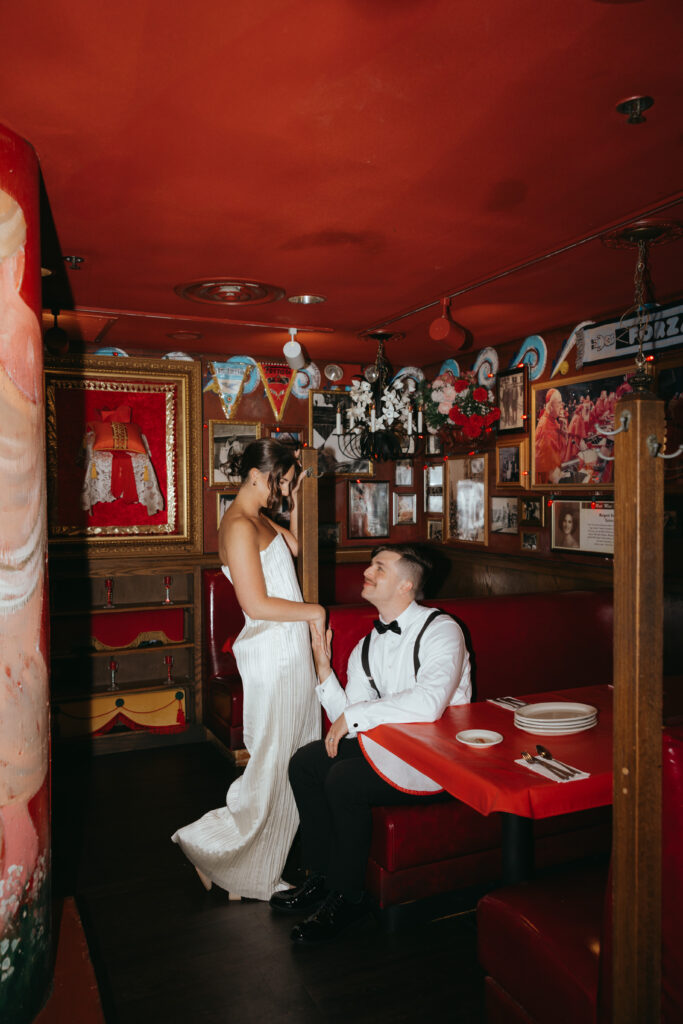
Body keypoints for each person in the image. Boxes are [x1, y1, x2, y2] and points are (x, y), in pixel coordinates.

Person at [269, 544, 471, 943]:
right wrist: (324, 669)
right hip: (392, 751)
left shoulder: (443, 630)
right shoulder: (367, 645)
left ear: (406, 585)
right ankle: (321, 877)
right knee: (306, 763)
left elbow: (429, 703)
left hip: (438, 761)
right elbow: (350, 720)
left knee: (344, 779)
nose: (368, 571)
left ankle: (349, 897)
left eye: (380, 567)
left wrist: (355, 716)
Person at [172, 439, 325, 900]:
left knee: (293, 756)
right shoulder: (238, 525)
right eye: (281, 480)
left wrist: (297, 495)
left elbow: (295, 546)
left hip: (289, 651)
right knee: (273, 762)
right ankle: (221, 854)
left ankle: (239, 862)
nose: (283, 489)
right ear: (256, 475)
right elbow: (255, 605)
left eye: (288, 482)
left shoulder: (257, 517)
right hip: (273, 653)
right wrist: (315, 612)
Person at [535, 388, 568, 484]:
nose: (561, 407)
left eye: (561, 403)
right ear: (550, 406)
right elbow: (550, 472)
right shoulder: (545, 425)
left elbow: (561, 452)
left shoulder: (554, 421)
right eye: (559, 403)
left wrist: (563, 432)